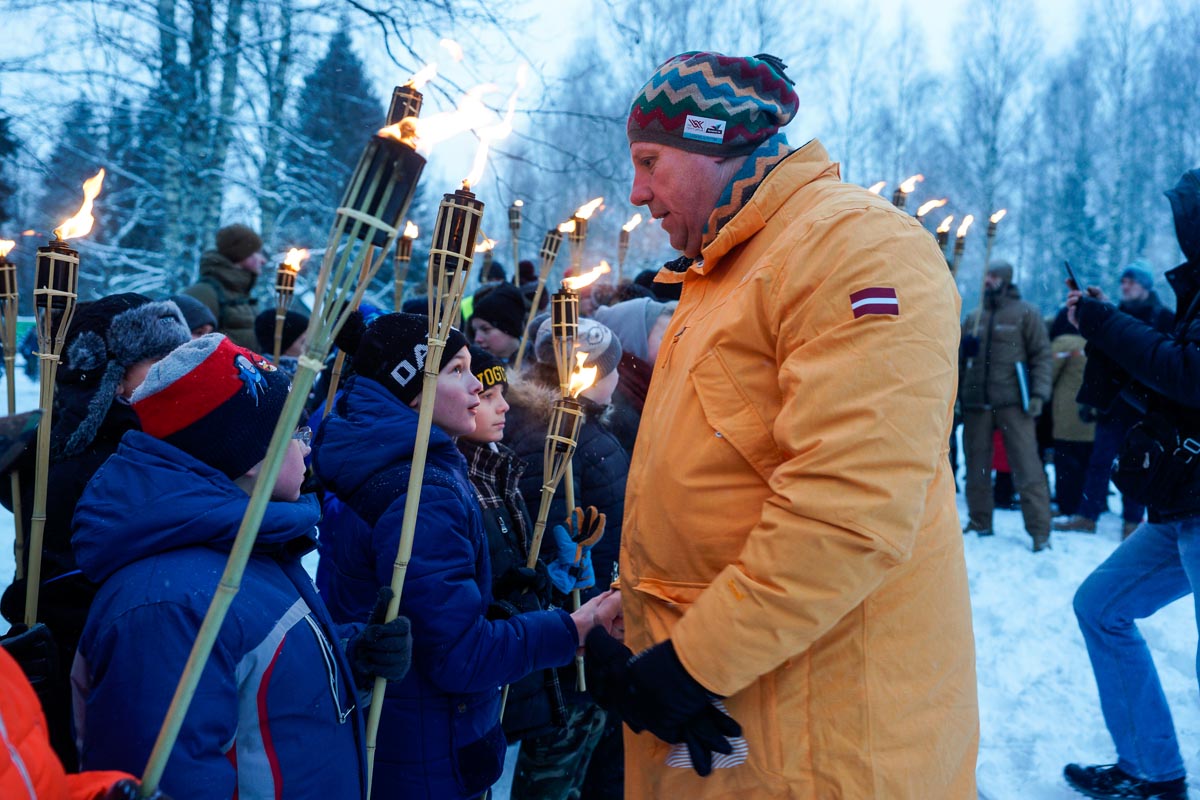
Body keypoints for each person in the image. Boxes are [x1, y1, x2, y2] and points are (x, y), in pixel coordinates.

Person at [579, 51, 978, 798]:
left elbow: (849, 509)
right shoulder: (727, 269)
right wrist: (637, 609)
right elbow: (727, 472)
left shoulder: (855, 248)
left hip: (819, 739)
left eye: (650, 161)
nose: (637, 192)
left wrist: (693, 661)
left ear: (714, 141)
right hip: (739, 724)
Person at [71, 334, 410, 799]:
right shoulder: (168, 606)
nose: (308, 446)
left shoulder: (247, 547)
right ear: (251, 455)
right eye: (295, 431)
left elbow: (257, 698)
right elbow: (174, 780)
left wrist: (352, 659)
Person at [311, 312, 618, 800]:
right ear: (415, 388)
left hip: (401, 734)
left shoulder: (395, 463)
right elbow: (458, 654)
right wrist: (572, 629)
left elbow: (431, 611)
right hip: (424, 750)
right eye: (457, 370)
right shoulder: (418, 490)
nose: (477, 387)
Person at [0, 294, 191, 769]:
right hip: (85, 660)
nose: (174, 373)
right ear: (106, 375)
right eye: (157, 362)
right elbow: (68, 583)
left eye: (179, 359)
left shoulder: (168, 443)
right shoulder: (79, 467)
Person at [1062, 168, 1200, 800]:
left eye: (1184, 212)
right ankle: (1153, 770)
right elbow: (1173, 389)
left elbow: (1190, 374)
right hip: (1183, 503)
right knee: (1102, 607)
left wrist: (1107, 324)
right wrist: (1104, 326)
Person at [1055, 262, 1175, 537]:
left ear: (1145, 286)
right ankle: (1088, 515)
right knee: (1099, 462)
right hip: (1115, 405)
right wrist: (1092, 397)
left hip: (1147, 408)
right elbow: (1101, 357)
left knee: (1138, 465)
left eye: (1131, 282)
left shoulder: (1164, 317)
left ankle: (1132, 523)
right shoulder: (1115, 315)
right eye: (1123, 282)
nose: (1125, 286)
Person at [960, 260, 1054, 550]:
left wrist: (1039, 394)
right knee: (976, 466)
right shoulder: (974, 316)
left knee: (1027, 467)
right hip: (977, 403)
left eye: (993, 276)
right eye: (986, 274)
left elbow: (1041, 355)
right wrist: (965, 349)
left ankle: (1040, 531)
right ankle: (979, 521)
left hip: (1014, 402)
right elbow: (960, 361)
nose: (987, 280)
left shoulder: (1025, 313)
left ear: (1005, 279)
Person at [184, 223, 265, 349]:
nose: (263, 260)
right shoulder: (204, 293)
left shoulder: (242, 291)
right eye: (257, 253)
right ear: (241, 254)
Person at [1048, 306, 1095, 518]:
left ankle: (1067, 504)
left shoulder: (1063, 344)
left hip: (1067, 413)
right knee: (1088, 463)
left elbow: (1049, 376)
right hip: (1092, 413)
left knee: (1066, 463)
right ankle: (1089, 504)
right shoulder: (1097, 341)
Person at [471, 281, 527, 363]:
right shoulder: (472, 367)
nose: (477, 339)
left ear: (509, 328)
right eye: (475, 331)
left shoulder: (538, 364)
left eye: (485, 329)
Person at [254, 308, 309, 378]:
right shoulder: (267, 375)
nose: (308, 346)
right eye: (302, 342)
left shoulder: (310, 369)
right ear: (284, 346)